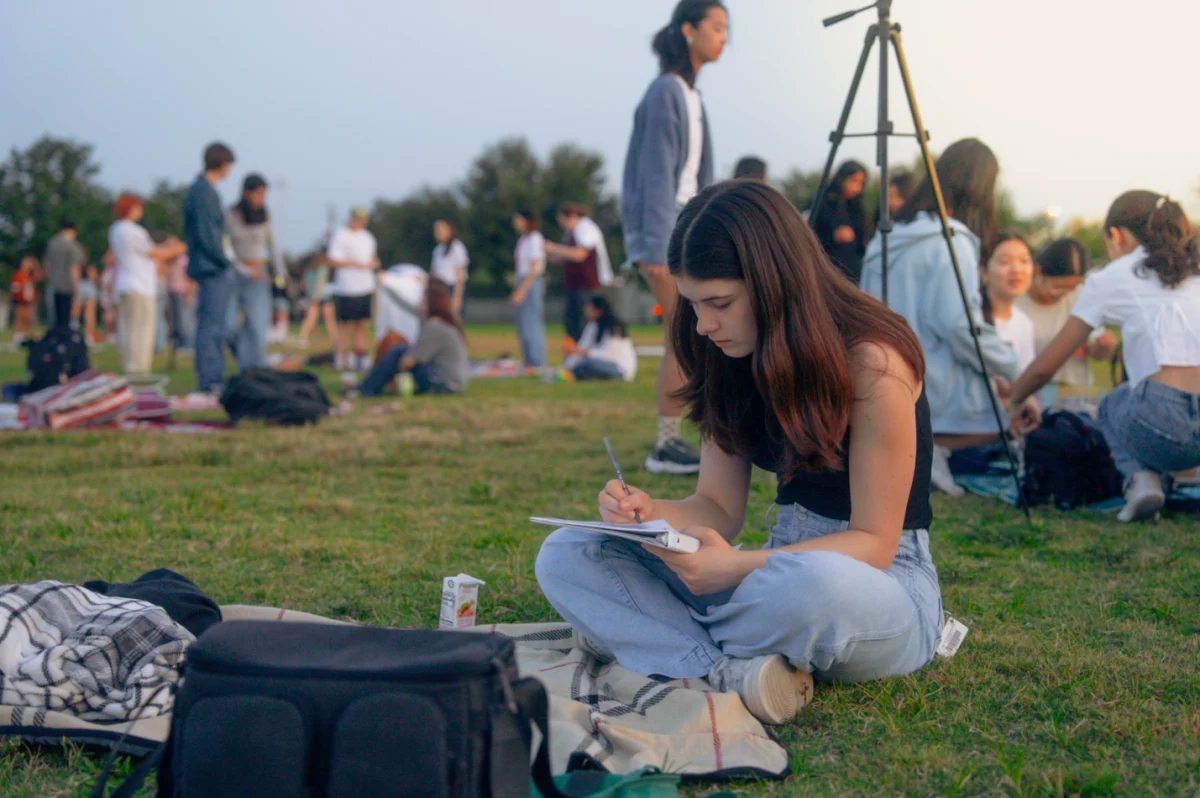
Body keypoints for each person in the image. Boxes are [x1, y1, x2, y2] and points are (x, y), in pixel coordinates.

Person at [536, 181, 942, 726]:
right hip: (765, 574)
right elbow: (716, 508)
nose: (703, 325)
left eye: (719, 304)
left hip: (877, 585)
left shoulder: (873, 362)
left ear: (775, 283)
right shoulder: (728, 355)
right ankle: (728, 671)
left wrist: (734, 567)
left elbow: (875, 543)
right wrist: (648, 512)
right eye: (694, 305)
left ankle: (653, 639)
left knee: (815, 590)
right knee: (568, 552)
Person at [1005, 191, 1200, 523]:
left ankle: (1141, 482)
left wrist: (1015, 398)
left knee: (1112, 403)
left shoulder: (1114, 276)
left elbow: (1047, 364)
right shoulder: (1193, 267)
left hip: (1161, 428)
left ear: (1116, 236)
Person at [860, 138, 1019, 497]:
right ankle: (929, 452)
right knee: (1007, 415)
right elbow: (959, 326)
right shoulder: (951, 240)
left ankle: (915, 451)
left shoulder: (887, 238)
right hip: (931, 380)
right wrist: (1012, 367)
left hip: (877, 374)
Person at [621, 0, 728, 476]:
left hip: (686, 231)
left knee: (688, 337)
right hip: (667, 237)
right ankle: (666, 445)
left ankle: (693, 438)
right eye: (718, 26)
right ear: (688, 29)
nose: (725, 37)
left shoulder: (692, 96)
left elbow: (698, 179)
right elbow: (654, 174)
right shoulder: (665, 91)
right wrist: (654, 246)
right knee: (682, 336)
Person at [1015, 238, 1118, 411]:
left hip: (1076, 397)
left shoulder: (1081, 295)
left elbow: (1095, 350)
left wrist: (1103, 347)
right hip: (1031, 398)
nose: (1065, 294)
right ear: (1038, 272)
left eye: (1072, 288)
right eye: (1058, 287)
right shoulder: (1016, 302)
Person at [109, 194, 186, 373]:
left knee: (127, 327)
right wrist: (178, 248)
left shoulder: (115, 229)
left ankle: (128, 364)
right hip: (140, 285)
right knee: (142, 329)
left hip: (124, 284)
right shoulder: (134, 231)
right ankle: (139, 367)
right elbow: (155, 253)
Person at [355, 280, 469, 397]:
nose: (419, 302)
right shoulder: (443, 323)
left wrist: (390, 369)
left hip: (445, 385)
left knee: (399, 350)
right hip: (453, 383)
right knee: (401, 349)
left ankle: (366, 389)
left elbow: (409, 361)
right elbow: (405, 304)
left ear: (431, 303)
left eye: (423, 299)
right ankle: (368, 385)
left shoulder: (434, 327)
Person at [185, 142, 237, 394]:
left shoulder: (202, 191)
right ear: (223, 164)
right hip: (212, 269)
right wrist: (226, 262)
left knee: (213, 325)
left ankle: (213, 376)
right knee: (211, 327)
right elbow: (208, 236)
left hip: (210, 267)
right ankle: (210, 379)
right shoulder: (204, 192)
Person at [224, 174, 286, 371]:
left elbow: (273, 246)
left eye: (264, 194)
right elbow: (225, 246)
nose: (261, 198)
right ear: (246, 192)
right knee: (227, 325)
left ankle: (252, 369)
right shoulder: (230, 215)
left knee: (258, 327)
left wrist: (281, 276)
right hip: (234, 273)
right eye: (258, 193)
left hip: (260, 274)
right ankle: (245, 357)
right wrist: (243, 269)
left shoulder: (266, 215)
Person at [545, 203, 613, 342]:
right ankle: (575, 353)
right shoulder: (571, 232)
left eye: (562, 220)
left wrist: (553, 247)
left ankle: (585, 352)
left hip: (587, 284)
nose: (562, 225)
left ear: (571, 217)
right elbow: (566, 255)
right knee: (572, 323)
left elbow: (580, 254)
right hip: (574, 285)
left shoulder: (585, 228)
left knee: (584, 323)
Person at [326, 207, 380, 371]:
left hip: (365, 286)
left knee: (362, 325)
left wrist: (373, 264)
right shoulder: (340, 235)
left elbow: (373, 258)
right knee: (345, 325)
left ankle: (359, 359)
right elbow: (333, 260)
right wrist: (353, 263)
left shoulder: (368, 237)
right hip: (346, 287)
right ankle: (340, 358)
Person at [980, 232, 1037, 372]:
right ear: (983, 272)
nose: (1016, 269)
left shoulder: (1023, 323)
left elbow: (1024, 378)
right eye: (1004, 262)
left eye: (1024, 261)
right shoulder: (970, 318)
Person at [813, 160, 869, 283]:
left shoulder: (857, 207)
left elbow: (862, 238)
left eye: (861, 183)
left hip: (853, 273)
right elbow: (812, 234)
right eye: (853, 181)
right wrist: (833, 236)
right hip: (827, 271)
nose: (857, 187)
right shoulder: (822, 203)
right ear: (842, 178)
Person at [562, 295, 637, 381]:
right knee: (583, 363)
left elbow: (607, 355)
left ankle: (571, 376)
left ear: (599, 311)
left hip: (619, 368)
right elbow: (581, 347)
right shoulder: (592, 326)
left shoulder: (614, 328)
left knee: (587, 364)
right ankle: (568, 374)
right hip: (599, 364)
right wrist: (566, 366)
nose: (586, 310)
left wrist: (581, 352)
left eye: (589, 308)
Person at [510, 209, 547, 369]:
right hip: (523, 281)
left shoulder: (535, 238)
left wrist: (522, 290)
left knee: (532, 322)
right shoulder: (524, 239)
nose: (515, 223)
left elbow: (534, 268)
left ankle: (537, 361)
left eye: (518, 219)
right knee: (523, 323)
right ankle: (529, 360)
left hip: (530, 283)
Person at [42, 219, 85, 330]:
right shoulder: (74, 247)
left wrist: (51, 279)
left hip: (53, 285)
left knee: (55, 319)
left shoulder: (52, 244)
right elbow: (73, 269)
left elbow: (47, 265)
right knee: (66, 319)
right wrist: (77, 288)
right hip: (68, 286)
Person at [298, 247, 338, 347]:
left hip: (312, 297)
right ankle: (334, 340)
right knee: (330, 320)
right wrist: (318, 295)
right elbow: (320, 282)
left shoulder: (309, 271)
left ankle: (302, 338)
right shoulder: (323, 268)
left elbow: (304, 285)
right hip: (323, 297)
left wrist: (312, 294)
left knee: (310, 319)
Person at [430, 219, 469, 317]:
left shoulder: (457, 248)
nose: (437, 233)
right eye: (436, 230)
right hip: (439, 289)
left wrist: (457, 297)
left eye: (440, 230)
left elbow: (460, 275)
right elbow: (433, 273)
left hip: (451, 288)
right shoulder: (438, 249)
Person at [166, 253, 195, 351]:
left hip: (183, 292)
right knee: (176, 321)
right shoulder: (170, 259)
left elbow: (191, 277)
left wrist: (190, 293)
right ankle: (179, 345)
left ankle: (189, 345)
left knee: (185, 320)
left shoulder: (184, 260)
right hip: (173, 292)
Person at [9, 256, 40, 344]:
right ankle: (18, 336)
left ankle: (25, 336)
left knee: (27, 318)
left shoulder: (30, 276)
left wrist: (35, 266)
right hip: (21, 299)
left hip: (29, 300)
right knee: (20, 317)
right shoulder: (19, 274)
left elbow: (39, 276)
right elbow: (15, 287)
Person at [74, 258, 101, 344]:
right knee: (89, 312)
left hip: (81, 286)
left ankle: (76, 333)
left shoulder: (78, 265)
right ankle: (88, 336)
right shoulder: (90, 266)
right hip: (88, 287)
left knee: (78, 311)